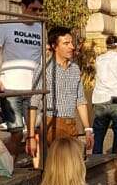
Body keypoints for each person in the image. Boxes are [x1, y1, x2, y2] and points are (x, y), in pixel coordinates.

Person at [28, 26, 92, 165]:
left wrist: (88, 129)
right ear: (54, 46)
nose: (72, 47)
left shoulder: (74, 68)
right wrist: (31, 136)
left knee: (73, 167)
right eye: (66, 43)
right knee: (61, 167)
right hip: (52, 123)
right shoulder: (44, 68)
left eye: (71, 43)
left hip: (71, 124)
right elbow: (33, 103)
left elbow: (80, 100)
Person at [0, 0, 44, 154]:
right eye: (33, 9)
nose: (36, 14)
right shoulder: (7, 26)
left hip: (33, 88)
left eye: (39, 10)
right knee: (16, 133)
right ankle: (4, 165)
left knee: (34, 131)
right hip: (11, 87)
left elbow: (44, 57)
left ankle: (36, 169)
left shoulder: (41, 28)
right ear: (23, 7)